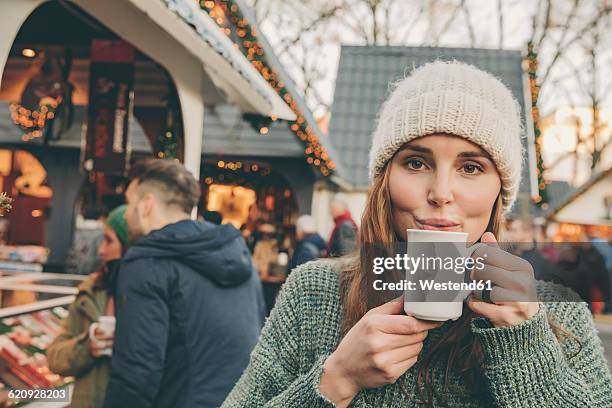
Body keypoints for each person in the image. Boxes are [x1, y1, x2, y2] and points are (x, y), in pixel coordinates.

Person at [221, 61, 612, 407]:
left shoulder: (556, 310)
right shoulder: (316, 294)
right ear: (384, 180)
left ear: (500, 193)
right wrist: (336, 381)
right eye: (416, 162)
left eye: (471, 168)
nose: (441, 193)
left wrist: (525, 345)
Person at [103, 159, 265, 408]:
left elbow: (136, 372)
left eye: (129, 202)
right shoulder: (239, 256)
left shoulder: (146, 262)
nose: (125, 213)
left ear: (147, 205)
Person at [48, 205, 128, 408]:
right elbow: (55, 358)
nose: (101, 249)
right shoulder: (90, 292)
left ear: (130, 246)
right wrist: (88, 345)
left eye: (109, 241)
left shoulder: (151, 299)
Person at [504, 216, 558, 283]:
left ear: (527, 232)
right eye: (509, 230)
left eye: (514, 230)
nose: (510, 234)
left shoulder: (541, 262)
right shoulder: (510, 253)